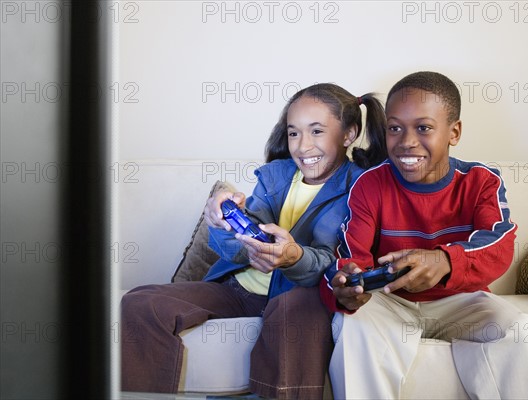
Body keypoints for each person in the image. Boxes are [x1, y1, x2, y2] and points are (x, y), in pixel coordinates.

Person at [120, 83, 388, 398]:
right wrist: (221, 223)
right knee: (140, 302)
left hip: (301, 297)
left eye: (317, 132)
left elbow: (343, 262)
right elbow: (238, 249)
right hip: (239, 290)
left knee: (293, 314)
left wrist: (294, 256)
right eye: (293, 133)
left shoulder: (363, 187)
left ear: (348, 134)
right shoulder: (275, 175)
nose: (302, 147)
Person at [320, 71, 528, 399]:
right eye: (395, 128)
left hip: (461, 300)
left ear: (454, 132)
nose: (406, 141)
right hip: (390, 300)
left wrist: (445, 259)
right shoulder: (370, 184)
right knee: (354, 323)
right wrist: (346, 286)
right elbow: (349, 257)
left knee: (514, 326)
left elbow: (499, 243)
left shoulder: (480, 180)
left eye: (424, 128)